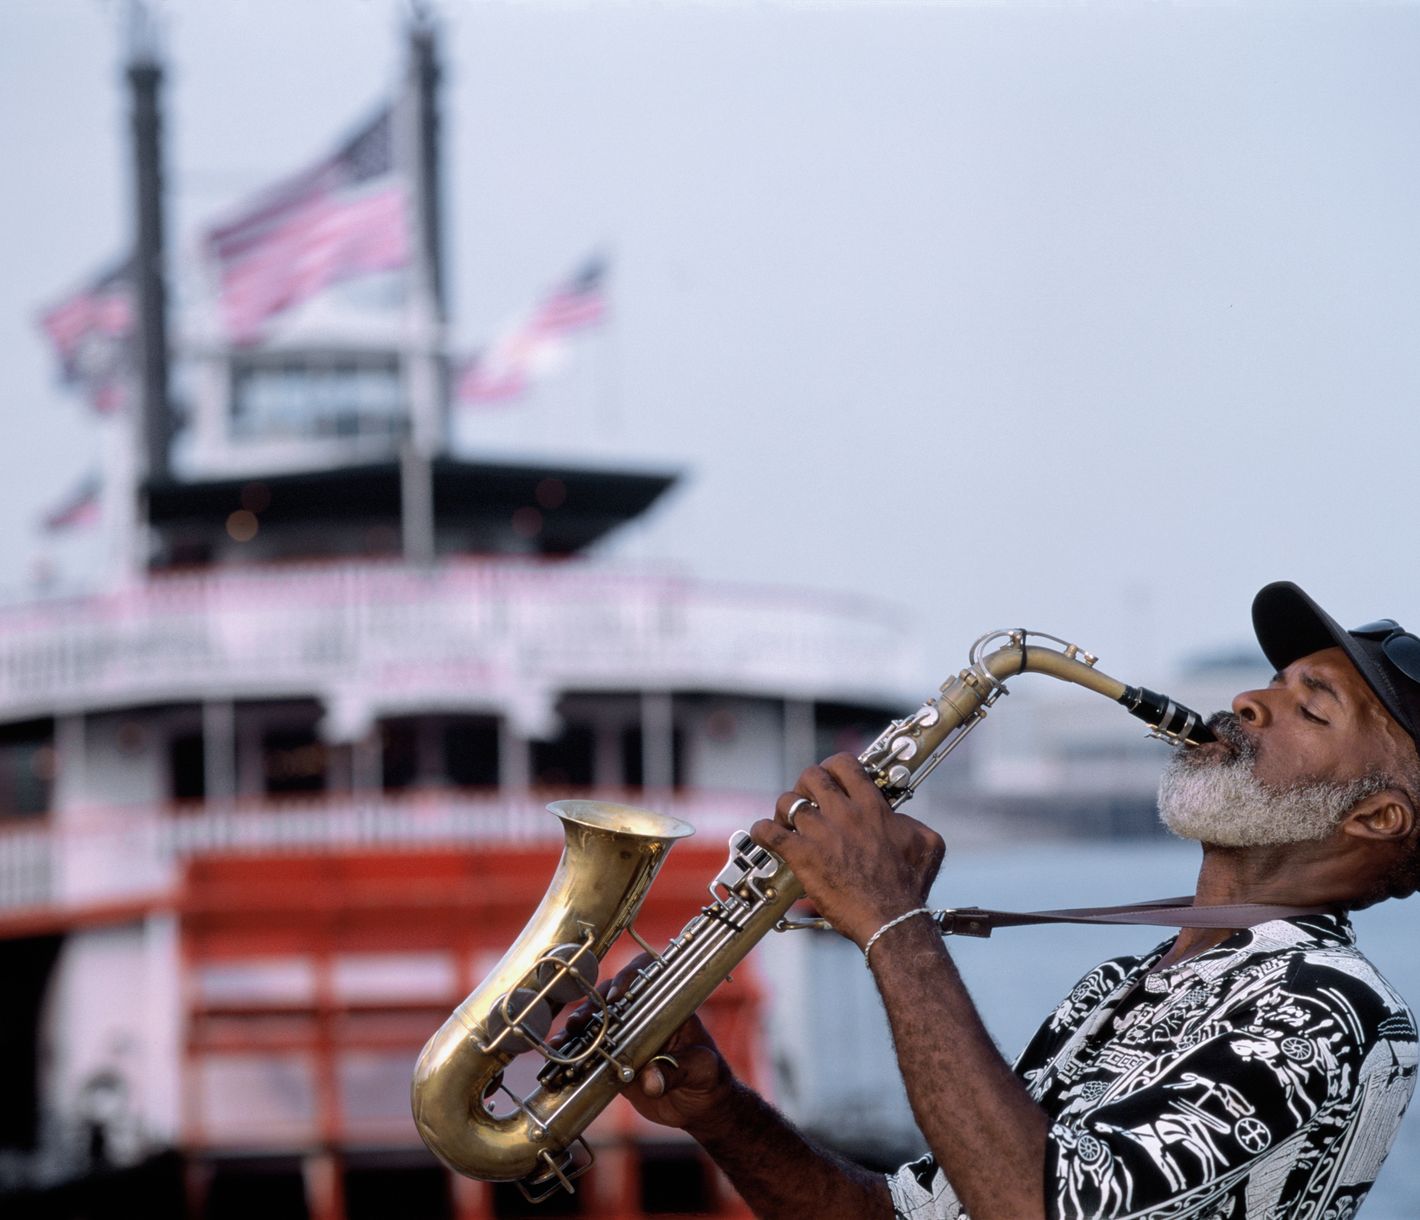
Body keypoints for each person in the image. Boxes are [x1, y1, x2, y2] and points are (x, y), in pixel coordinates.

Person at [610, 581, 1420, 1219]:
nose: (1248, 702)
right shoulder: (1122, 984)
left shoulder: (1333, 1008)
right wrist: (721, 1110)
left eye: (1311, 708)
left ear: (1378, 815)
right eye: (1274, 682)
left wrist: (891, 921)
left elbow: (1037, 1209)